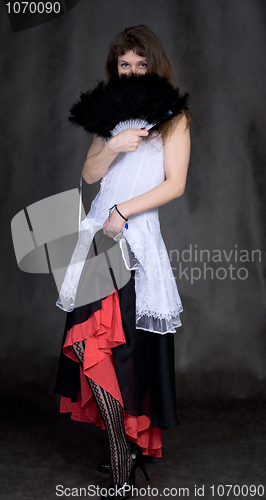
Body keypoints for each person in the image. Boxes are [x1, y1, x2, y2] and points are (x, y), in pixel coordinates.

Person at [53, 25, 191, 500]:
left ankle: (124, 451)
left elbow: (175, 184)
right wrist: (113, 144)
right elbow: (90, 174)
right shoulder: (108, 116)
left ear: (154, 65)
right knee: (93, 343)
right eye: (123, 65)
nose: (131, 72)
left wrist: (123, 211)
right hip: (96, 239)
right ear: (116, 69)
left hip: (132, 240)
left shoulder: (174, 118)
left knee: (124, 349)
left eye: (140, 64)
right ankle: (119, 449)